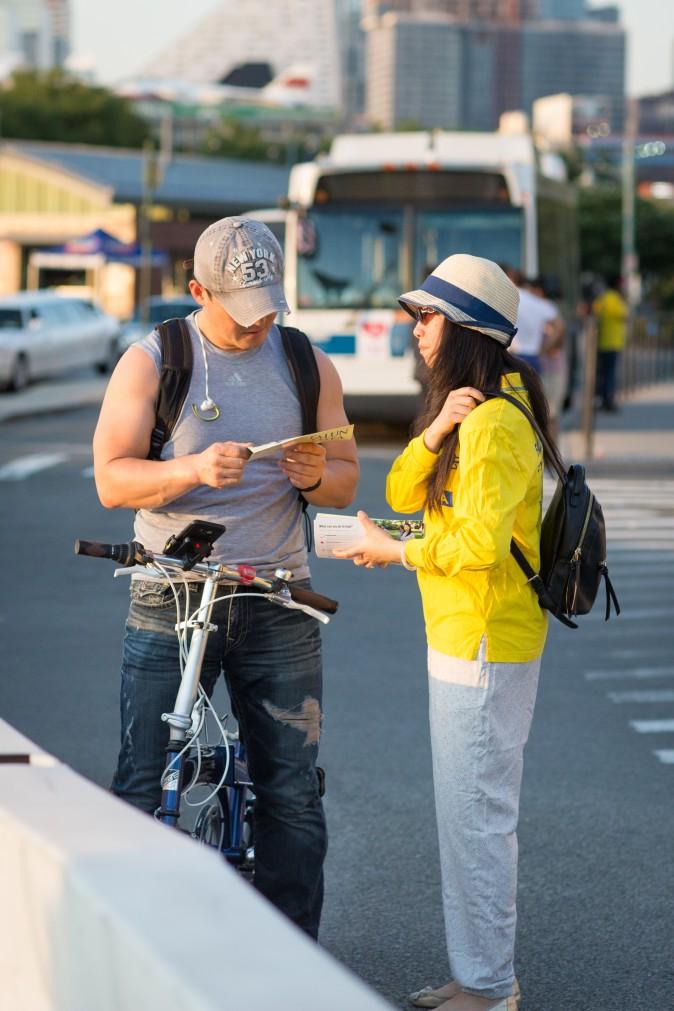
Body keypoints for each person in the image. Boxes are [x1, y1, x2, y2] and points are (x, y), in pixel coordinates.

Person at [93, 216, 359, 938]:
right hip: (171, 594)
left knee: (293, 795)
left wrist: (316, 474)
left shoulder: (307, 362)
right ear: (195, 289)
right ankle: (134, 950)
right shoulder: (154, 359)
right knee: (143, 783)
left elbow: (345, 478)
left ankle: (291, 959)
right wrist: (191, 470)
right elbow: (111, 480)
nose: (259, 322)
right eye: (244, 310)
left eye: (270, 304)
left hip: (278, 594)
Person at [335, 254, 561, 1011]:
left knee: (477, 819)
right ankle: (478, 974)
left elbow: (480, 547)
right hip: (470, 636)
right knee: (469, 815)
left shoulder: (496, 423)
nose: (416, 327)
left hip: (484, 639)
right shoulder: (476, 410)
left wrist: (392, 549)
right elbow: (400, 487)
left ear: (464, 328)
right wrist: (434, 431)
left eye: (428, 315)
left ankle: (490, 987)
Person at [504, 266, 558, 376]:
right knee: (533, 392)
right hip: (533, 358)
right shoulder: (538, 302)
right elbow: (560, 327)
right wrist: (543, 349)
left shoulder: (506, 299)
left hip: (511, 356)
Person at [592, 275, 628, 412]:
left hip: (605, 341)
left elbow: (596, 312)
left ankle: (602, 399)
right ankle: (608, 401)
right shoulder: (613, 299)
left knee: (604, 373)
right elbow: (623, 315)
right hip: (611, 342)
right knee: (609, 374)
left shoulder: (603, 298)